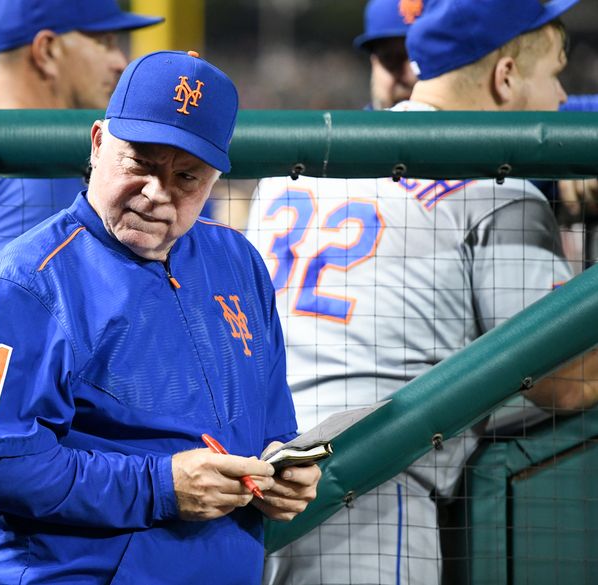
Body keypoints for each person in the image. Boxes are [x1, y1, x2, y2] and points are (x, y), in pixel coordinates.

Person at [0, 50, 322, 584]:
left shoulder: (238, 262)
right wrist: (160, 487)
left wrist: (283, 470)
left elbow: (274, 426)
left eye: (186, 176)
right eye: (140, 163)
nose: (158, 193)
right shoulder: (27, 282)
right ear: (97, 144)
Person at [247, 0, 598, 583]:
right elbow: (569, 382)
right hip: (368, 497)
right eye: (555, 74)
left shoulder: (296, 167)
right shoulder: (499, 193)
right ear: (505, 77)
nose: (563, 98)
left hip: (250, 487)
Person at [0, 0, 163, 289]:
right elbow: (33, 317)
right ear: (47, 50)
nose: (120, 62)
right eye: (104, 42)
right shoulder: (35, 168)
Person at [353, 0, 421, 111]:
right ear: (374, 63)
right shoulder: (352, 127)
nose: (409, 76)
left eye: (419, 58)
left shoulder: (457, 126)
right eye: (390, 59)